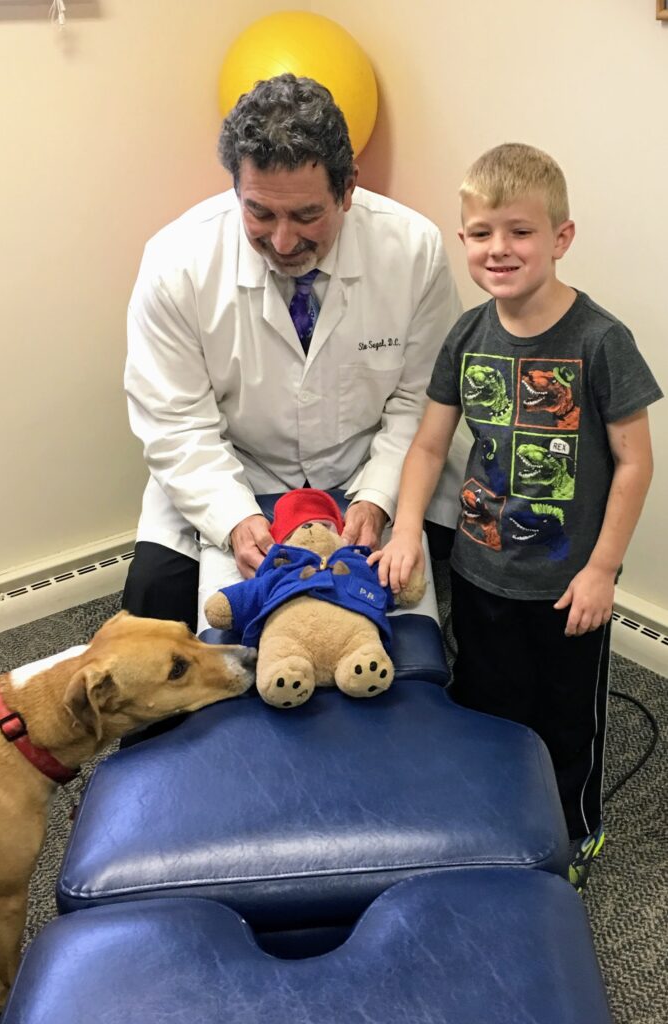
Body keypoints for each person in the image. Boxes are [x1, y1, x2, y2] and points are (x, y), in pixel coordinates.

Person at [370, 142, 662, 891]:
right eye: (479, 232)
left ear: (559, 238)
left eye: (519, 231)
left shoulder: (600, 342)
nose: (498, 248)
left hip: (571, 587)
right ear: (463, 239)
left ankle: (574, 831)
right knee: (487, 705)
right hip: (479, 571)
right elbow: (429, 445)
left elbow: (635, 462)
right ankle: (494, 820)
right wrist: (406, 527)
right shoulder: (465, 337)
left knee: (566, 720)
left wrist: (602, 571)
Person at [122, 73, 466, 632]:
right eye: (260, 213)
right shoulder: (175, 263)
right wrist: (234, 518)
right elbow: (175, 423)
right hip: (235, 464)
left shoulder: (413, 250)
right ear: (236, 188)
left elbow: (421, 404)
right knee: (155, 601)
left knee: (437, 589)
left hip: (361, 463)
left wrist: (378, 498)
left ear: (348, 188)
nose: (283, 242)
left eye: (307, 216)